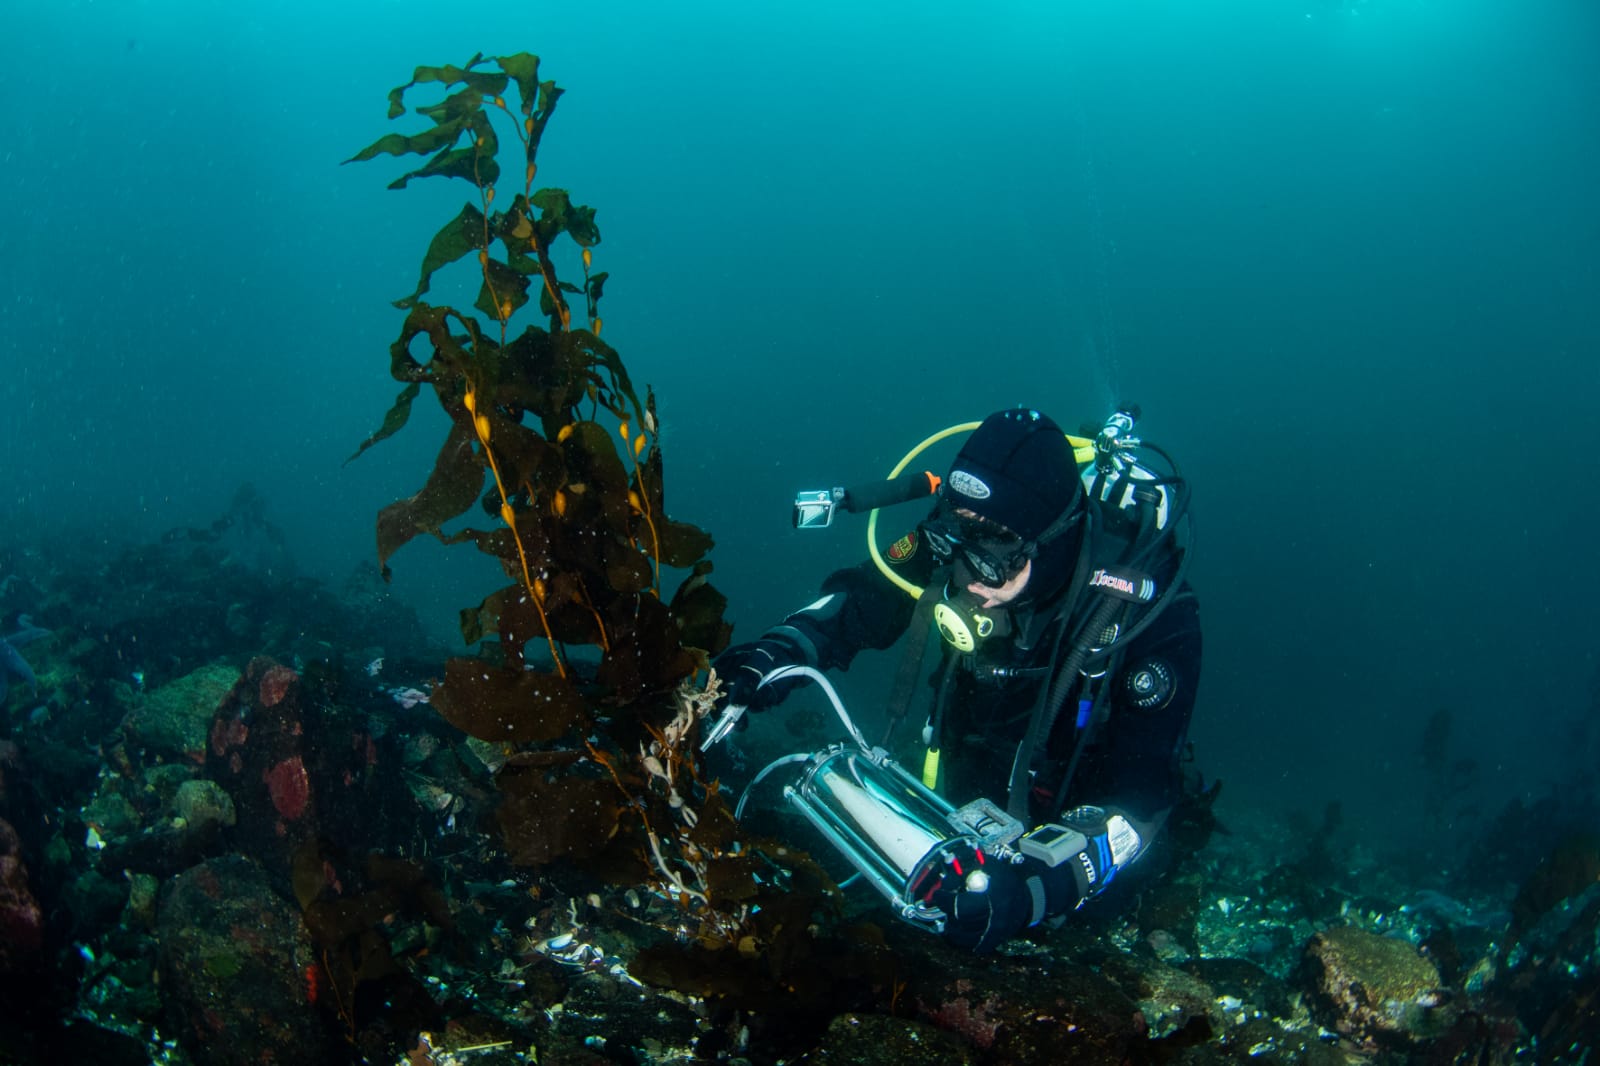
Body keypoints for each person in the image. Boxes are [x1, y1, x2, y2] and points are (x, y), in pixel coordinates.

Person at [709, 407, 1202, 952]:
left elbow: (1143, 798)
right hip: (957, 811)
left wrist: (1038, 889)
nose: (968, 580)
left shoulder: (1150, 613)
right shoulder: (964, 535)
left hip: (1065, 837)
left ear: (1053, 542)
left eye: (992, 561)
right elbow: (859, 604)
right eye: (958, 544)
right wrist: (773, 654)